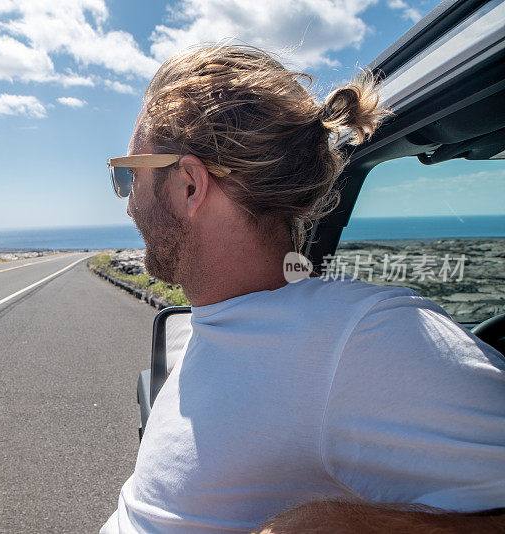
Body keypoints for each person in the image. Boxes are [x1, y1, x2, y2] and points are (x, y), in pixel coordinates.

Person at [101, 44, 505, 533]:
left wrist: (348, 527)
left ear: (189, 185)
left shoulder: (360, 340)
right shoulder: (221, 318)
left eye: (129, 176)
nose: (126, 204)